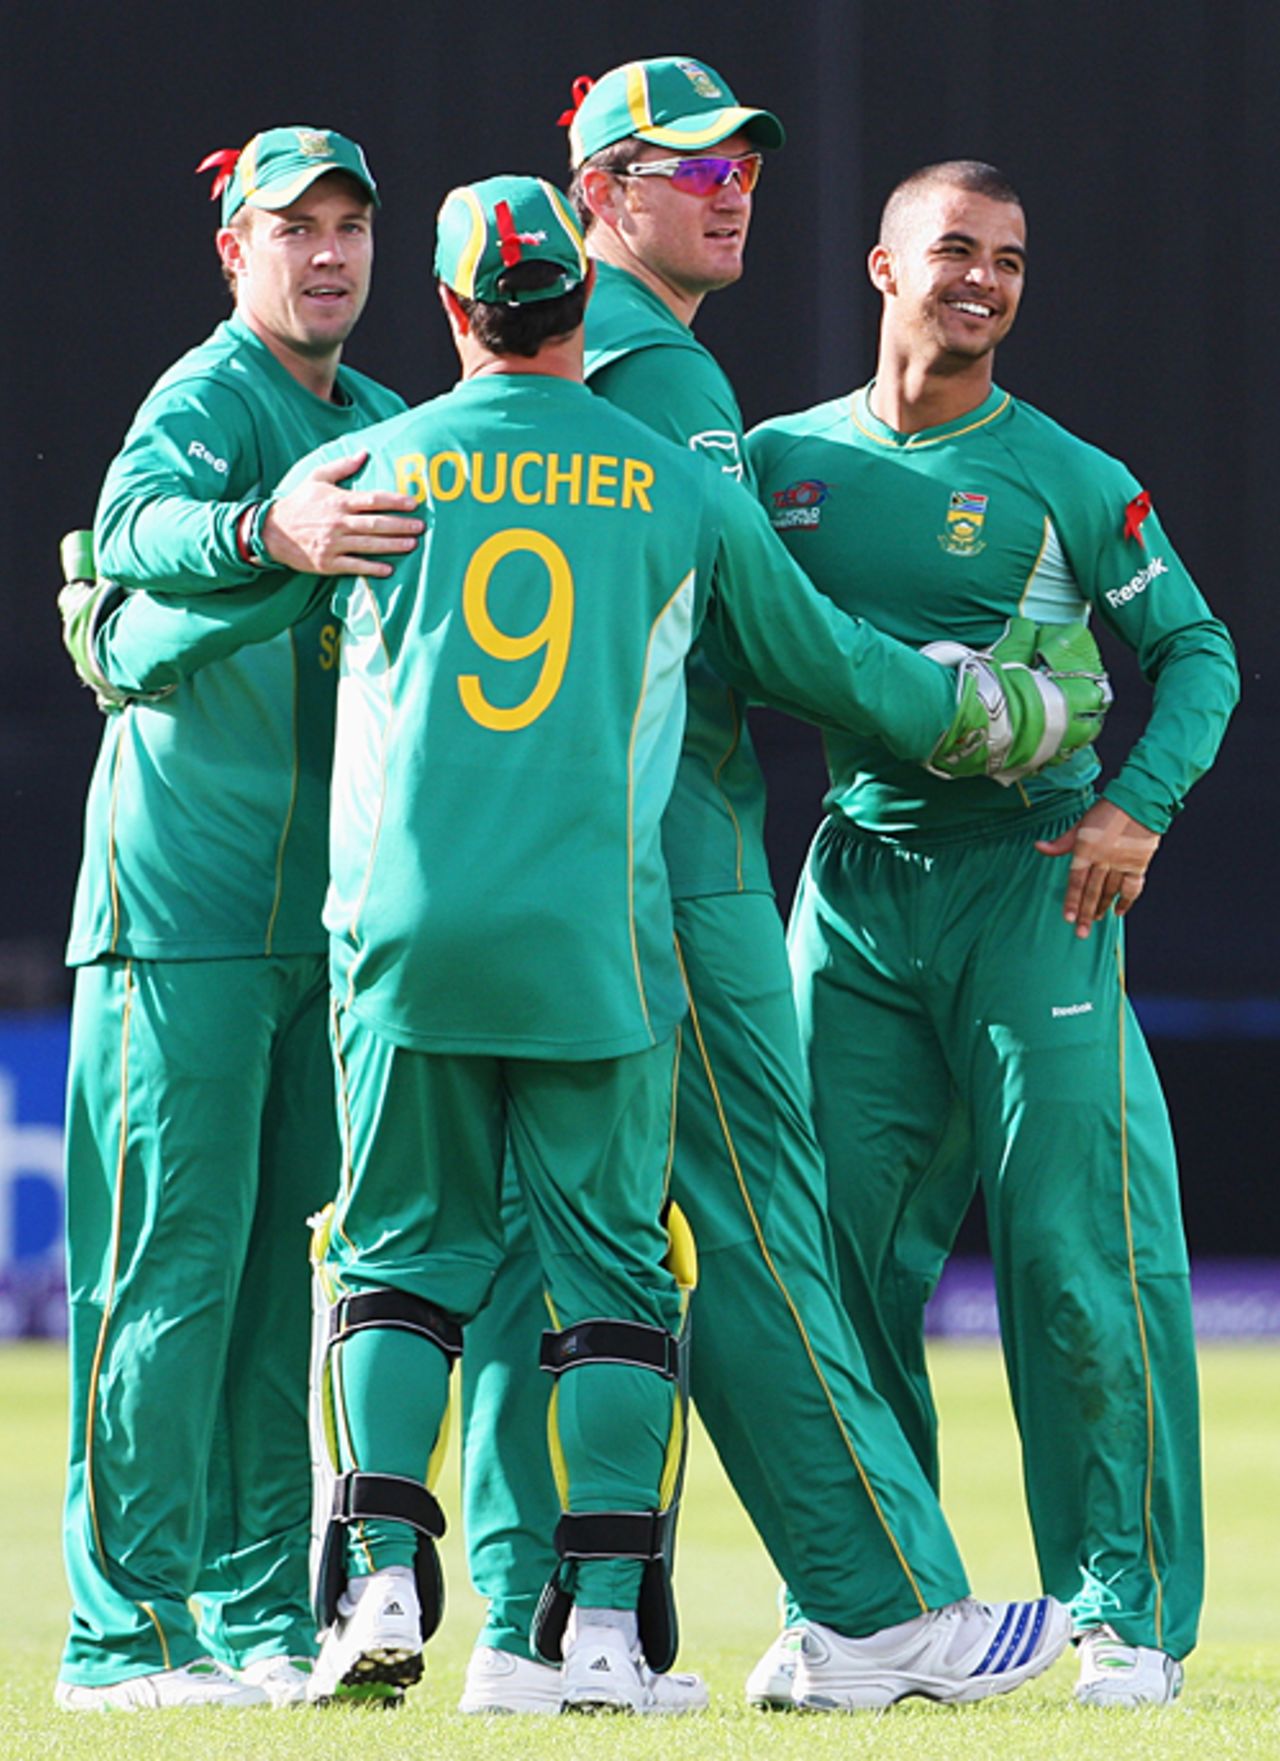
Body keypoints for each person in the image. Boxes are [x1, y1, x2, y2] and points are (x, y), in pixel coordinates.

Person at [61, 175, 1100, 1714]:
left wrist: (103, 628)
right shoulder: (672, 479)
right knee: (616, 1276)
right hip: (591, 934)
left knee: (402, 1265)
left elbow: (190, 599)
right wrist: (1002, 710)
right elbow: (829, 666)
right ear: (583, 293)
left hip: (398, 940)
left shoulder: (373, 462)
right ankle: (595, 1639)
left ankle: (375, 1589)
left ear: (453, 308)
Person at [455, 61, 1086, 1716]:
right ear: (598, 192)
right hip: (668, 865)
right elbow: (763, 624)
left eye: (743, 162)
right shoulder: (659, 364)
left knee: (548, 1246)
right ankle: (874, 1604)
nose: (733, 187)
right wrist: (981, 706)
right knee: (747, 1225)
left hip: (516, 864)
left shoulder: (510, 380)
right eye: (685, 167)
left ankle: (529, 1629)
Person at [747, 159, 1239, 1709]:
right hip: (855, 883)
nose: (984, 280)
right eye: (954, 250)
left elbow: (1198, 651)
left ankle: (1129, 1616)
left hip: (1035, 880)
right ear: (882, 267)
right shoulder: (776, 463)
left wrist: (1137, 806)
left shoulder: (1068, 478)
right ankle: (874, 1607)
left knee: (1076, 1250)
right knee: (834, 1266)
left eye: (1010, 260)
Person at [55, 126, 418, 1711]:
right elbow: (128, 540)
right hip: (177, 916)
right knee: (166, 1276)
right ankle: (116, 1638)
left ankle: (262, 1621)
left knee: (287, 1288)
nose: (328, 253)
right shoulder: (207, 397)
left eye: (351, 226)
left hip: (317, 937)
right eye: (295, 229)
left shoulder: (394, 421)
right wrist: (267, 535)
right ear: (234, 250)